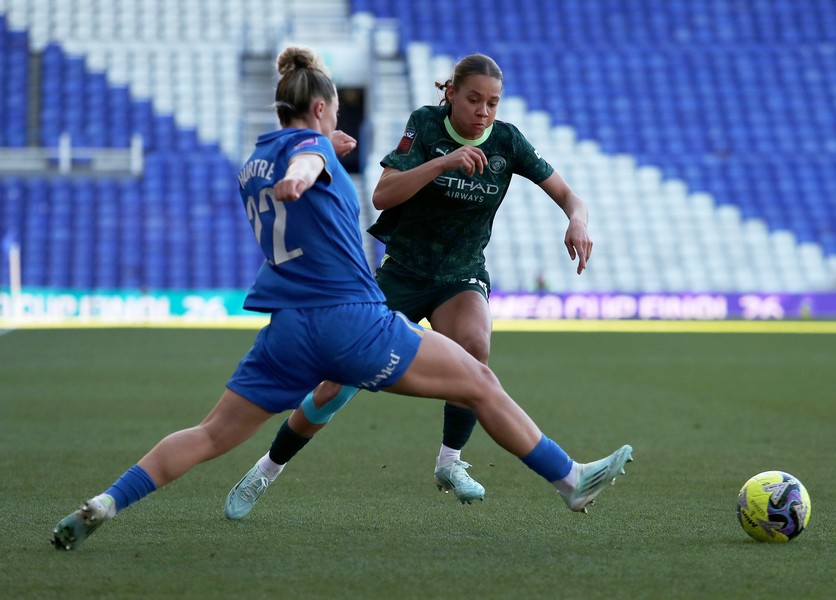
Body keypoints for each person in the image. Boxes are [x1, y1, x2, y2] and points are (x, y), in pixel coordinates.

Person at [51, 46, 631, 551]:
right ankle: (570, 480)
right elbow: (308, 159)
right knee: (479, 382)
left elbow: (299, 153)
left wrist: (315, 153)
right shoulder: (312, 153)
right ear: (324, 108)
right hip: (352, 321)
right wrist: (311, 164)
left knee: (208, 434)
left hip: (287, 332)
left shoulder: (254, 161)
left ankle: (105, 502)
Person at [224, 52, 594, 517]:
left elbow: (568, 195)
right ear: (451, 93)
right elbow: (384, 194)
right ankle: (267, 469)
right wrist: (443, 164)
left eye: (493, 103)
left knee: (475, 348)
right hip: (402, 271)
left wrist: (576, 221)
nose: (483, 112)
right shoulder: (425, 126)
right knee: (333, 387)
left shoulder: (507, 142)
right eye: (474, 99)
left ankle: (451, 462)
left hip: (460, 272)